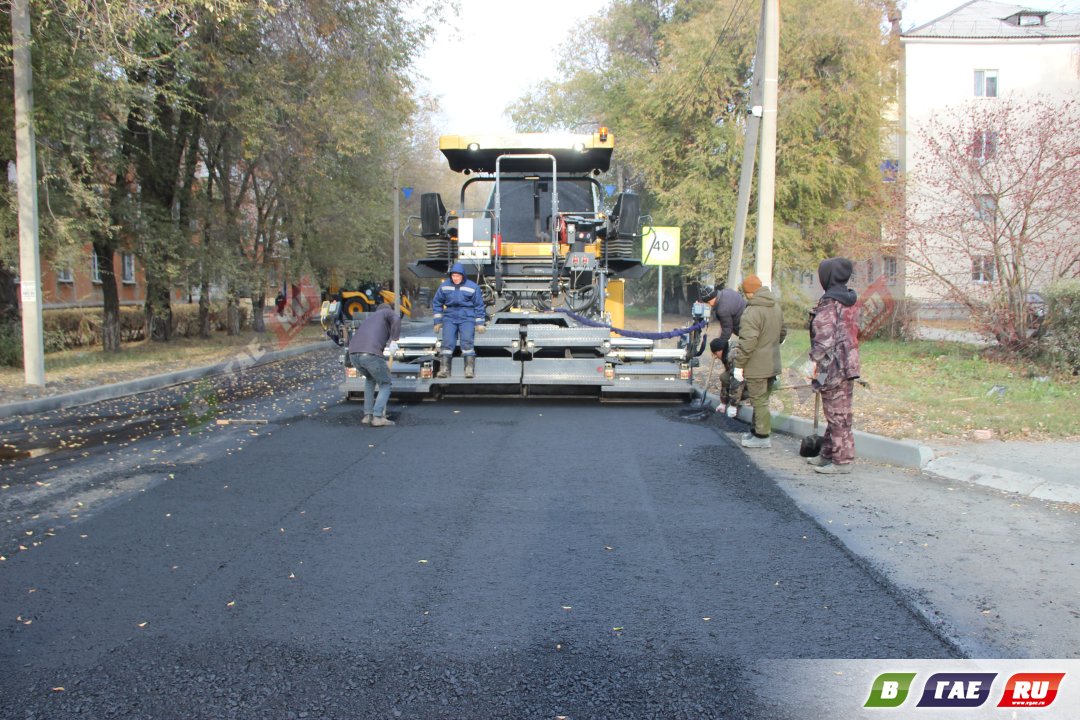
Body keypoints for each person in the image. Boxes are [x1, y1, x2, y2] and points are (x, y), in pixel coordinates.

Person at [806, 257, 861, 474]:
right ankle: (827, 454)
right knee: (838, 411)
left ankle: (842, 461)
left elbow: (823, 341)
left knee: (838, 414)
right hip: (849, 364)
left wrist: (811, 369)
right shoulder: (849, 300)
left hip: (832, 368)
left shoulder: (829, 303)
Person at [731, 274, 786, 448]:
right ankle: (756, 431)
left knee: (759, 400)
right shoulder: (775, 306)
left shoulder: (752, 311)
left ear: (748, 293)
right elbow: (782, 332)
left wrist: (739, 365)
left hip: (757, 365)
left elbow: (747, 342)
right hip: (773, 362)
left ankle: (762, 437)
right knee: (763, 399)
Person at [347, 299, 401, 427]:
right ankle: (377, 417)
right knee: (385, 383)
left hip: (353, 354)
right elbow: (397, 319)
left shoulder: (370, 319)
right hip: (370, 354)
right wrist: (394, 340)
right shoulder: (386, 312)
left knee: (370, 380)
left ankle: (368, 415)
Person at [432, 262, 486, 379]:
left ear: (463, 275)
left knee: (467, 342)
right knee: (447, 343)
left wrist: (480, 323)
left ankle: (468, 369)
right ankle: (444, 369)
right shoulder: (444, 286)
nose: (455, 278)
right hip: (450, 317)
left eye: (458, 276)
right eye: (453, 276)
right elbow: (437, 303)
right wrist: (437, 321)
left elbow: (479, 305)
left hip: (467, 317)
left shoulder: (472, 287)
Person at [700, 284, 746, 412]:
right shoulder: (727, 292)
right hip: (747, 328)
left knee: (734, 377)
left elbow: (727, 330)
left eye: (715, 353)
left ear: (709, 300)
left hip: (745, 330)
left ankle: (742, 399)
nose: (709, 305)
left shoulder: (722, 309)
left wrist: (732, 405)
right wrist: (722, 402)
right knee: (727, 376)